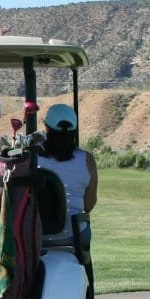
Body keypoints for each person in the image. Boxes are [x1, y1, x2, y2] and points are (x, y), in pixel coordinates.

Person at [36, 103, 98, 250]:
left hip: (36, 234)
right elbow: (88, 205)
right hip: (74, 236)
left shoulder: (32, 157)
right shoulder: (87, 160)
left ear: (47, 127)